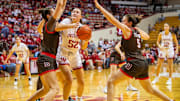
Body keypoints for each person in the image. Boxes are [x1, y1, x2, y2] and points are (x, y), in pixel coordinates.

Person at [94, 0, 174, 101]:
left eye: (124, 21)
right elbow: (147, 37)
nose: (122, 23)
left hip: (134, 62)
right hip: (143, 62)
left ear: (129, 23)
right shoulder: (136, 31)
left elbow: (113, 20)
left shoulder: (128, 30)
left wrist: (100, 8)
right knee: (150, 89)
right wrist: (137, 29)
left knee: (111, 82)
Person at [27, 0, 78, 101]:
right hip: (47, 58)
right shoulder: (50, 23)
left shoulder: (51, 23)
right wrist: (72, 25)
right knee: (54, 89)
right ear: (48, 15)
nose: (56, 11)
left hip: (45, 58)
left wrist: (64, 2)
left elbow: (61, 7)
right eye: (53, 11)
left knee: (45, 89)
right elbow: (59, 5)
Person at [56, 8, 89, 101]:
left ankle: (79, 98)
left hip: (75, 54)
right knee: (69, 79)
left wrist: (86, 39)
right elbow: (57, 27)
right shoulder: (67, 21)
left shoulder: (82, 28)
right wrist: (71, 26)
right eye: (73, 11)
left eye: (77, 12)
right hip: (63, 53)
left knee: (81, 80)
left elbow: (83, 47)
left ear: (80, 16)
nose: (75, 13)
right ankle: (65, 99)